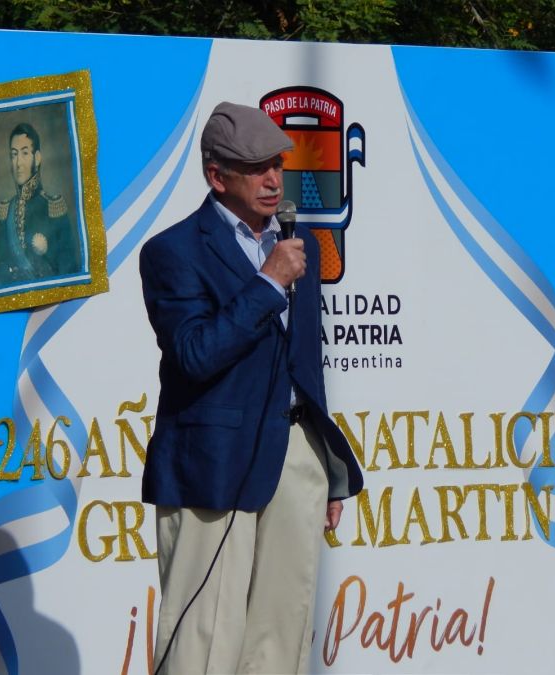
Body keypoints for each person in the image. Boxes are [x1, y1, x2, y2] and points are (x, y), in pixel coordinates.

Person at [139, 102, 363, 674]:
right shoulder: (173, 251)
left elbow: (304, 361)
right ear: (218, 176)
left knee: (281, 633)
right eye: (256, 167)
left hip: (296, 453)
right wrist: (267, 283)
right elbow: (193, 354)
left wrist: (323, 464)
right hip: (213, 462)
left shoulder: (301, 243)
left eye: (277, 164)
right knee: (203, 639)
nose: (273, 179)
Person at [0, 122, 80, 287]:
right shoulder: (6, 210)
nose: (18, 163)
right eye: (14, 154)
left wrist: (47, 251)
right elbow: (1, 272)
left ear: (37, 158)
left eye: (25, 153)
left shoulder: (53, 207)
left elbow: (69, 269)